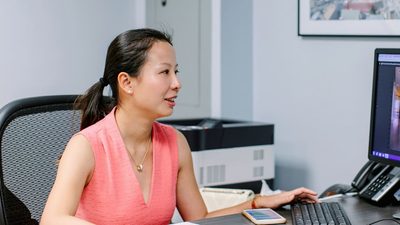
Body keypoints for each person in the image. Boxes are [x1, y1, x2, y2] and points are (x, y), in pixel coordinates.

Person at [40, 28, 318, 225]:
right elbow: (52, 219)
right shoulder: (86, 145)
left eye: (176, 71)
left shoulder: (175, 143)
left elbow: (200, 218)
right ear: (127, 83)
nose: (177, 83)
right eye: (164, 72)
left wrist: (257, 202)